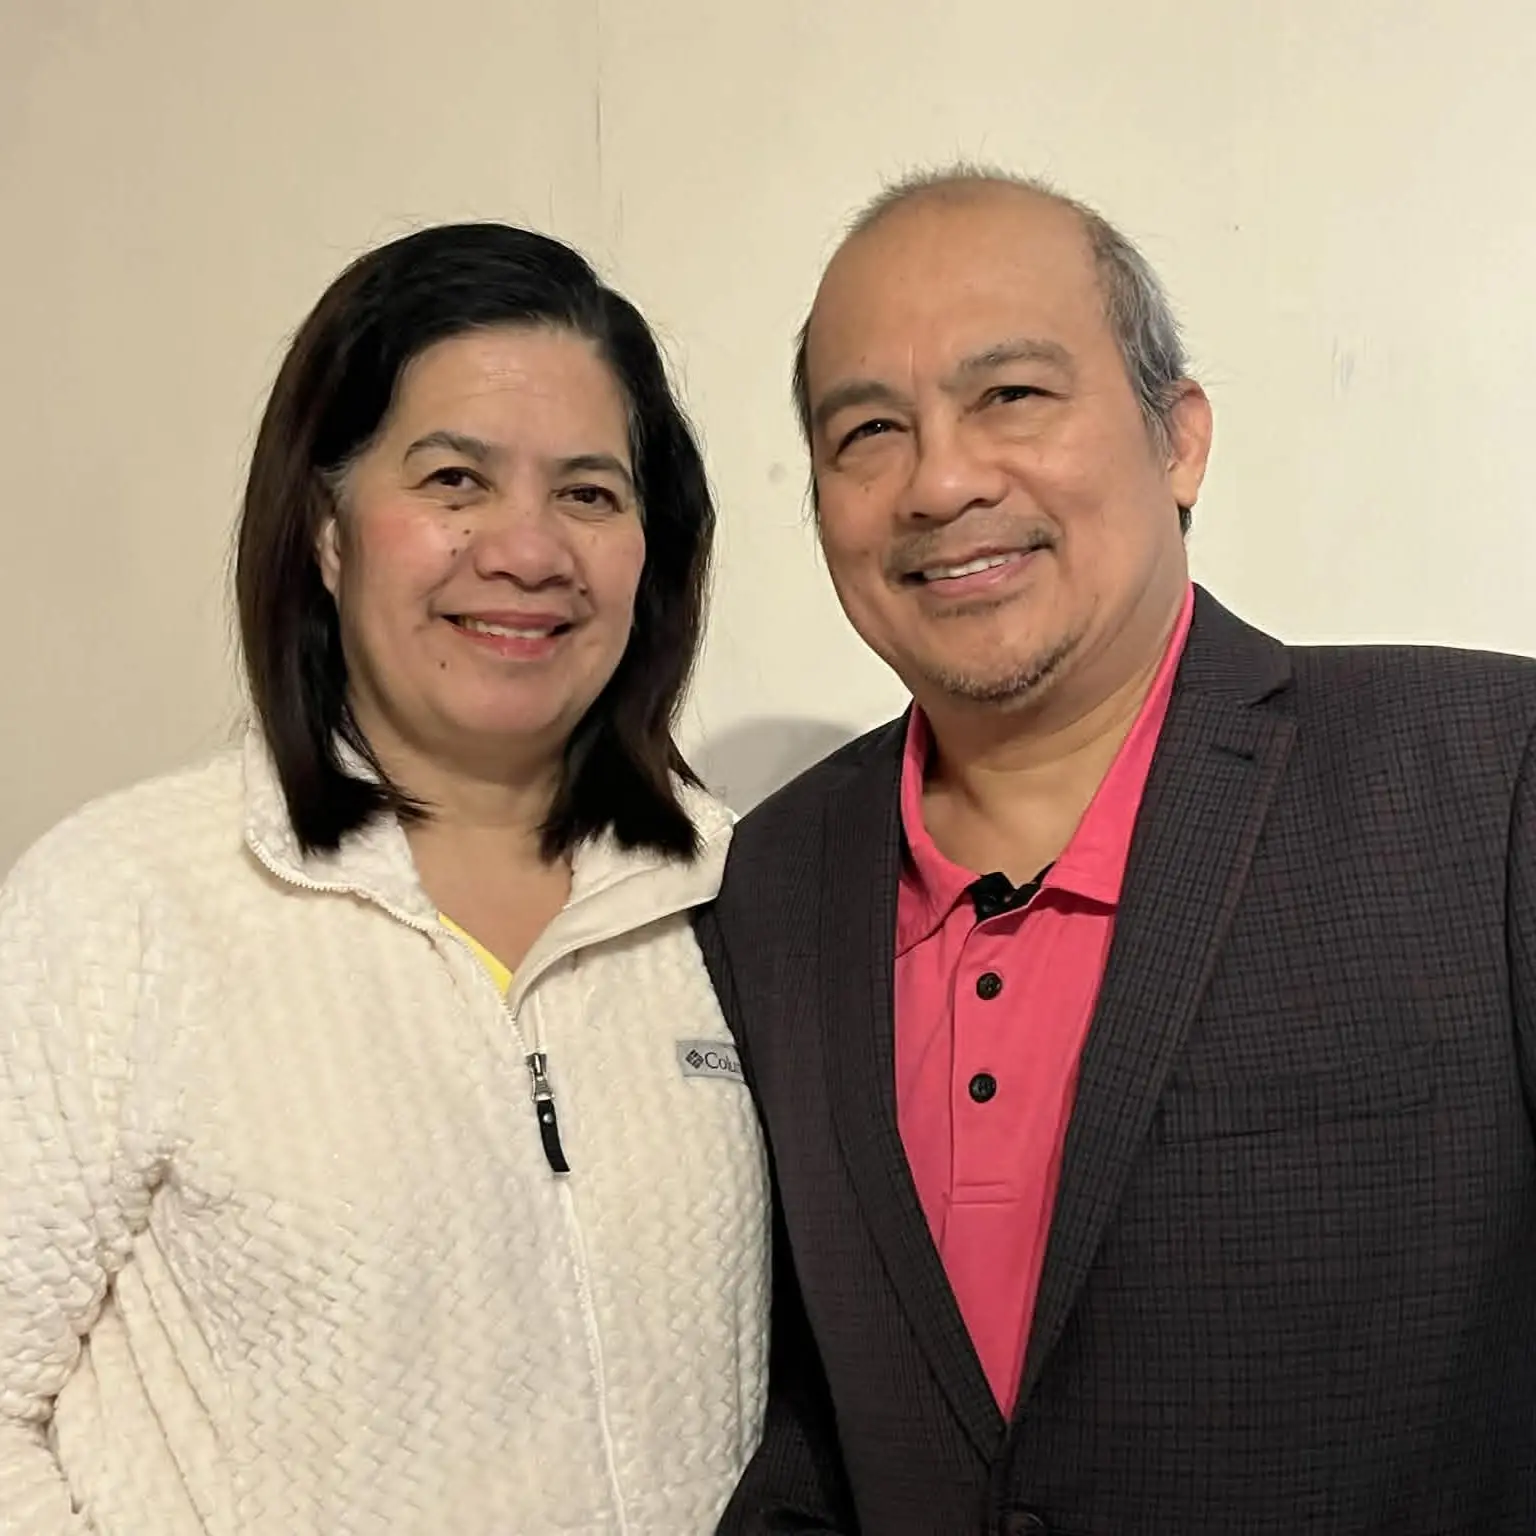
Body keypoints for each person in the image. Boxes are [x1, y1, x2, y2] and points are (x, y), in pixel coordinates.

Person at [701, 167, 1536, 1535]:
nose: (942, 480)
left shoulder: (1485, 777)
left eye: (1012, 395)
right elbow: (808, 1416)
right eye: (869, 430)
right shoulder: (771, 885)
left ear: (1179, 439)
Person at [0, 222, 768, 1534]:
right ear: (328, 530)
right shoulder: (127, 903)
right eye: (456, 479)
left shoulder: (741, 901)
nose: (527, 550)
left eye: (589, 494)